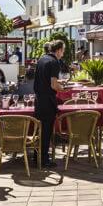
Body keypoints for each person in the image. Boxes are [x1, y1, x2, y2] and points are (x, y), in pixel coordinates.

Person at [34, 39, 66, 167]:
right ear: (58, 50)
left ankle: (37, 157)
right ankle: (44, 160)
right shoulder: (54, 62)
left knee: (39, 130)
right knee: (46, 131)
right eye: (62, 51)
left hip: (38, 100)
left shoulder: (42, 59)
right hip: (48, 101)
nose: (63, 54)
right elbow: (53, 85)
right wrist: (63, 88)